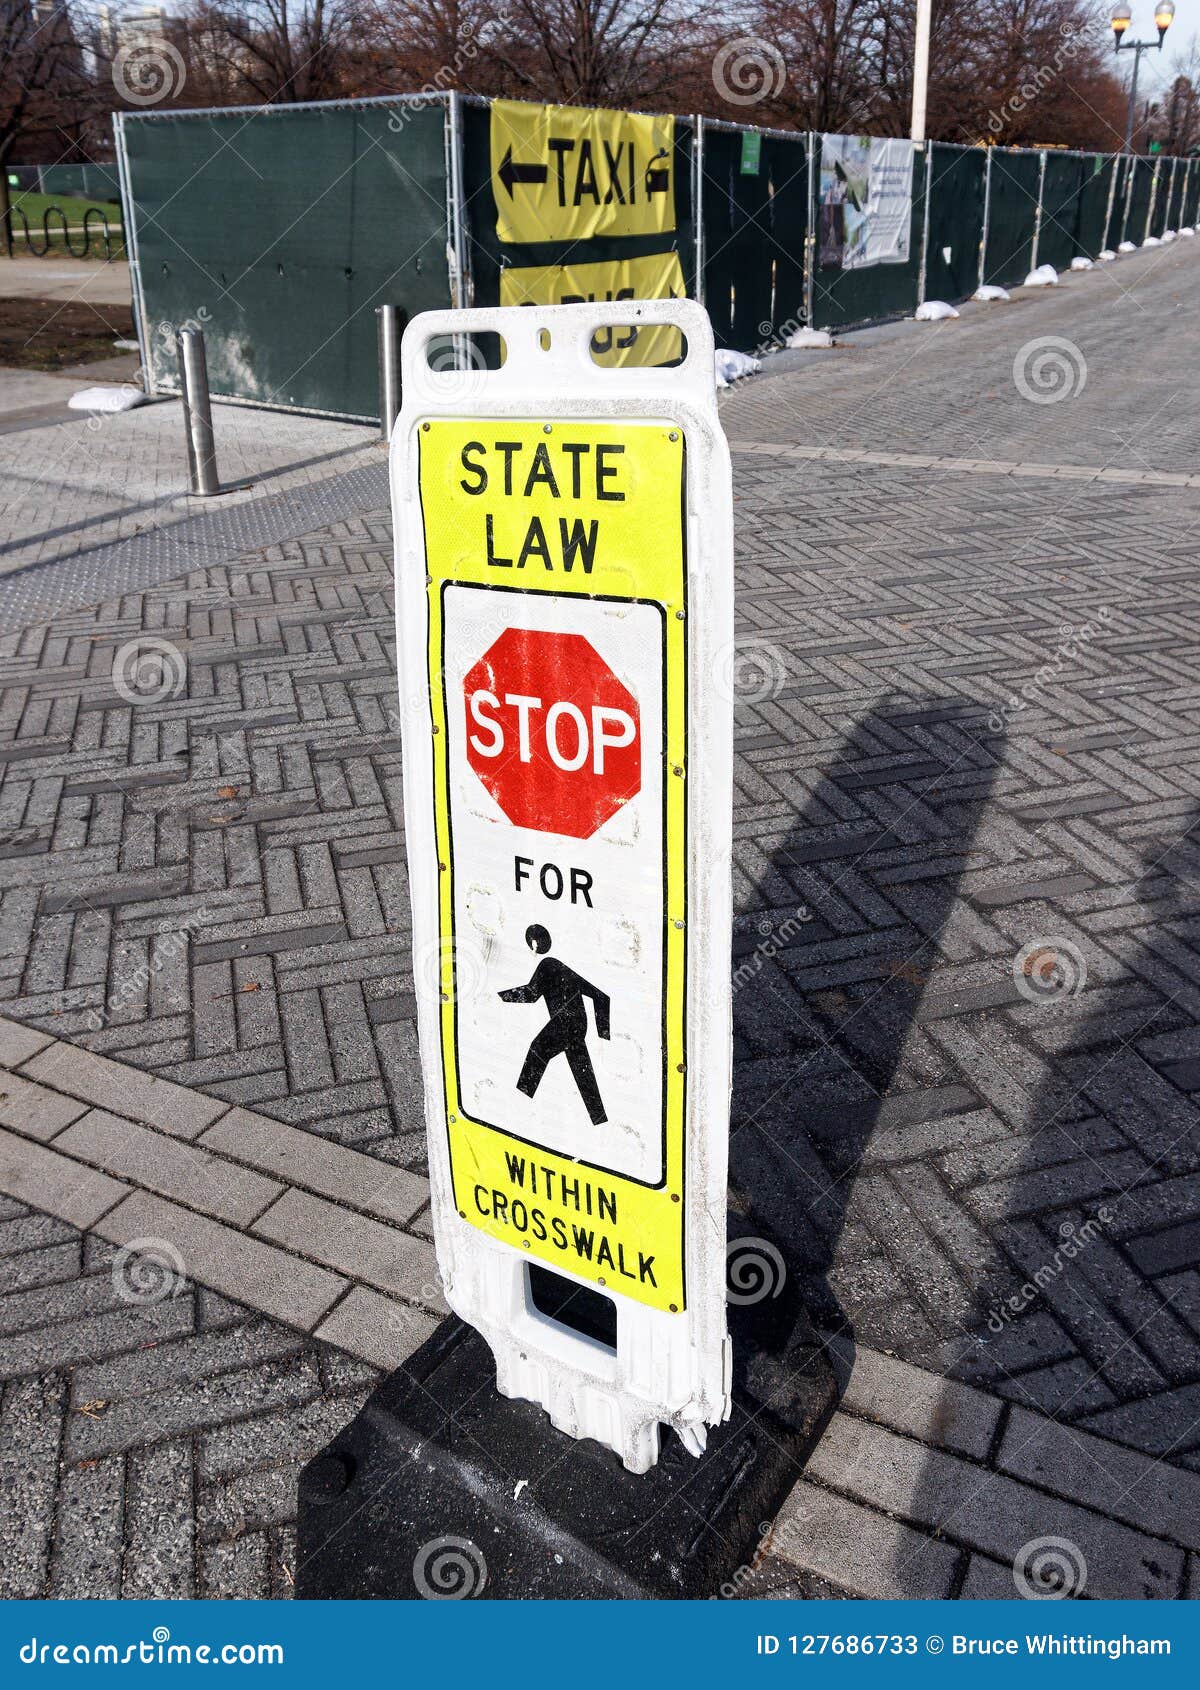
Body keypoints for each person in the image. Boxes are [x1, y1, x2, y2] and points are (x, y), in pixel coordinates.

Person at [499, 925, 610, 1125]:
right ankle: (600, 1119)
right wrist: (603, 1032)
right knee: (582, 1072)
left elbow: (531, 994)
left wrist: (499, 996)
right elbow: (601, 997)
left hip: (566, 1022)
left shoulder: (548, 964)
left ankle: (520, 1107)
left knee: (537, 1049)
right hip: (577, 1025)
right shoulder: (560, 966)